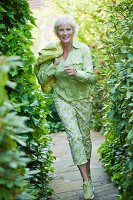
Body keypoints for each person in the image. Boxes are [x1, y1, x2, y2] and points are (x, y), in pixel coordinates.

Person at [35, 15, 95, 200]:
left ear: (73, 31)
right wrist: (54, 66)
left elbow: (92, 77)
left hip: (82, 99)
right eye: (61, 30)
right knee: (74, 136)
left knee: (84, 138)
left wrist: (78, 73)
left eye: (68, 29)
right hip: (62, 99)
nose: (65, 33)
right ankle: (86, 181)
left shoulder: (83, 49)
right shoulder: (51, 51)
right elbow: (41, 79)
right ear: (57, 32)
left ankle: (89, 176)